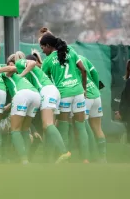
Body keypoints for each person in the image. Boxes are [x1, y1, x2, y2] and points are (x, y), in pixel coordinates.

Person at [10, 51, 71, 163]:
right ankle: (50, 158)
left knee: (47, 125)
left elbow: (32, 63)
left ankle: (64, 152)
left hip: (46, 92)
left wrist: (21, 74)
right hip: (53, 92)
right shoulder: (34, 74)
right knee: (48, 127)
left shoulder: (20, 63)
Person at [40, 34, 89, 163]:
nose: (42, 51)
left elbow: (43, 80)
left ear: (48, 46)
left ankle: (65, 158)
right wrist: (84, 89)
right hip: (78, 92)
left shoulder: (48, 61)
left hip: (64, 95)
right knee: (81, 126)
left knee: (63, 127)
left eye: (42, 47)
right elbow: (83, 70)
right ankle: (85, 159)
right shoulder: (71, 51)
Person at [0, 58, 41, 164]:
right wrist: (9, 106)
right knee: (25, 129)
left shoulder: (4, 72)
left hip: (22, 96)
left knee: (15, 130)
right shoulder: (20, 76)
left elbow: (10, 68)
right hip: (36, 96)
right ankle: (27, 159)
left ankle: (23, 160)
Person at [79, 55, 106, 162]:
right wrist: (95, 88)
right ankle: (103, 158)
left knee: (83, 127)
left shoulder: (67, 58)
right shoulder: (82, 57)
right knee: (98, 128)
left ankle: (89, 156)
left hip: (85, 96)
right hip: (96, 95)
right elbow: (94, 73)